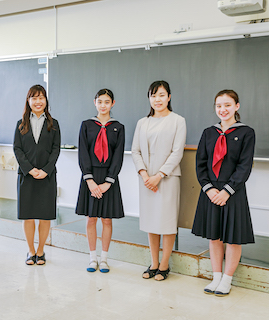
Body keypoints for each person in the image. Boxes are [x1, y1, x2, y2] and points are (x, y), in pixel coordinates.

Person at [191, 89, 255, 296]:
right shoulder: (209, 132)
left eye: (227, 105)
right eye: (219, 105)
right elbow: (200, 164)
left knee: (233, 238)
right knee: (214, 237)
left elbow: (244, 167)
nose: (223, 109)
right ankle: (216, 277)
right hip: (210, 192)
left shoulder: (246, 132)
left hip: (233, 192)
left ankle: (227, 279)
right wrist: (209, 189)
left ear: (237, 107)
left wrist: (226, 191)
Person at [132, 80, 186, 281]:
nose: (157, 99)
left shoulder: (178, 121)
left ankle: (164, 265)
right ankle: (153, 262)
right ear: (149, 98)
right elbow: (135, 150)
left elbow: (177, 152)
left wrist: (158, 176)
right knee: (150, 221)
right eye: (153, 95)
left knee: (167, 221)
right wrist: (145, 175)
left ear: (169, 97)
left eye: (162, 95)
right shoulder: (142, 122)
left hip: (168, 178)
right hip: (146, 179)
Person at [76, 88, 125, 273]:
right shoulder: (86, 125)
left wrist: (108, 182)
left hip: (108, 179)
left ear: (113, 104)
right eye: (100, 101)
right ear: (94, 102)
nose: (103, 105)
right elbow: (83, 154)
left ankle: (104, 259)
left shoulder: (118, 127)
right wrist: (89, 180)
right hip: (90, 178)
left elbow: (118, 156)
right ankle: (92, 258)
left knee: (106, 220)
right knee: (91, 219)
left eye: (107, 102)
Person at [13, 84, 61, 265]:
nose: (38, 101)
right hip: (26, 176)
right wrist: (29, 169)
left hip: (47, 177)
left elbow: (56, 150)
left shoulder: (53, 123)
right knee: (28, 215)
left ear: (46, 101)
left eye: (41, 97)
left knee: (45, 215)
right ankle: (30, 251)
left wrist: (45, 170)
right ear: (29, 101)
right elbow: (17, 149)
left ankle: (41, 251)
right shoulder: (21, 124)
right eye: (34, 98)